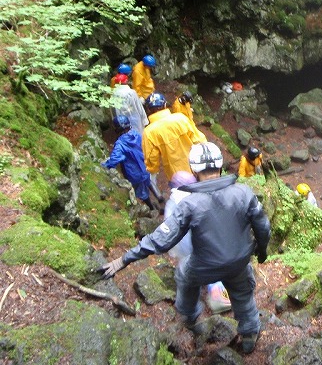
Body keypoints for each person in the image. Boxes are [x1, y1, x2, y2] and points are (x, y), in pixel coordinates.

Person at [97, 142, 270, 354]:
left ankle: (190, 315)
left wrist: (123, 260)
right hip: (239, 261)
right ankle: (250, 333)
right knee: (243, 295)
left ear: (194, 170)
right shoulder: (243, 192)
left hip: (204, 266)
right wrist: (261, 251)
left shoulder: (189, 204)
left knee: (183, 273)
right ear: (220, 165)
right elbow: (263, 226)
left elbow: (160, 239)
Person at [164, 170, 232, 315]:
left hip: (183, 248)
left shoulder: (172, 204)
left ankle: (191, 312)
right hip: (200, 242)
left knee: (189, 275)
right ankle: (220, 298)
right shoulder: (196, 199)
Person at [142, 92, 206, 187]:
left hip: (176, 175)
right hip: (196, 166)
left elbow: (151, 159)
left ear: (148, 109)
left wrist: (152, 171)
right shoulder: (181, 118)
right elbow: (199, 139)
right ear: (164, 105)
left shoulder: (148, 132)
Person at [101, 115, 156, 210]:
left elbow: (114, 159)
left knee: (142, 193)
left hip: (134, 174)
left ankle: (152, 208)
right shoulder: (137, 134)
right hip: (145, 167)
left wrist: (105, 165)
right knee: (148, 181)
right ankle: (159, 197)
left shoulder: (120, 144)